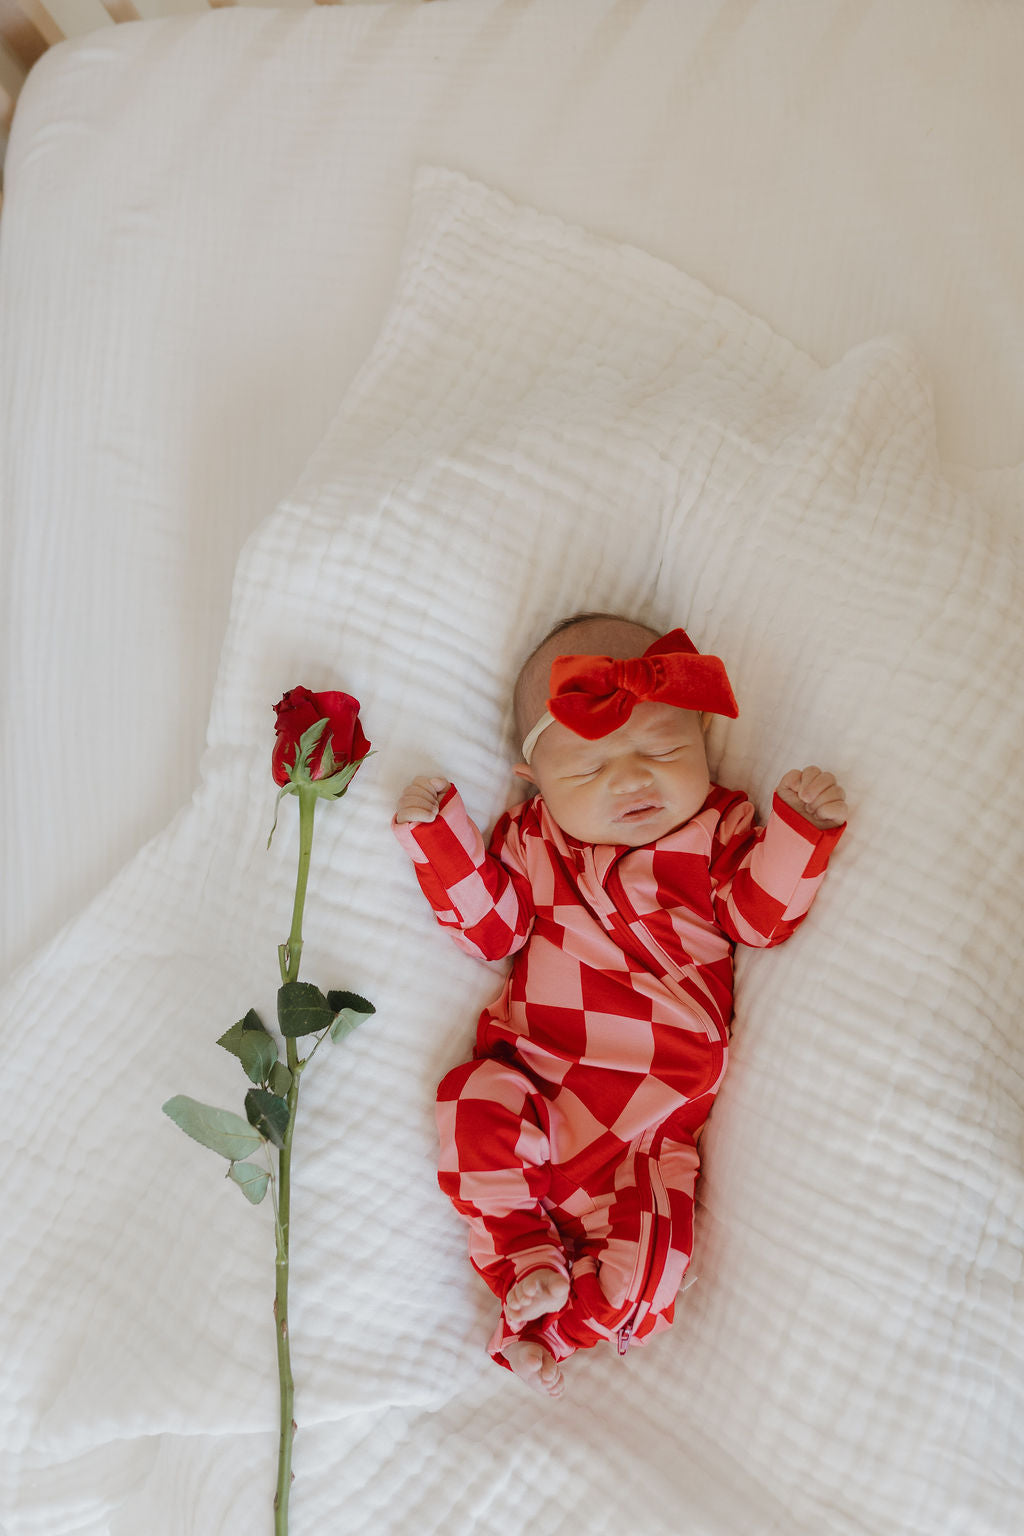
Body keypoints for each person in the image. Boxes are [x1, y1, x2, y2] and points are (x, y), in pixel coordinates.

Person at [393, 613, 847, 1398]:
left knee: (656, 1244)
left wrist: (800, 833)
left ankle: (560, 1329)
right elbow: (490, 927)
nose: (630, 779)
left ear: (704, 741)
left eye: (663, 750)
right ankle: (526, 1255)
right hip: (538, 1079)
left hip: (652, 1114)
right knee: (468, 1105)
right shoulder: (535, 843)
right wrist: (441, 838)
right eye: (588, 768)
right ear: (535, 785)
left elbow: (758, 916)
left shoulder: (713, 830)